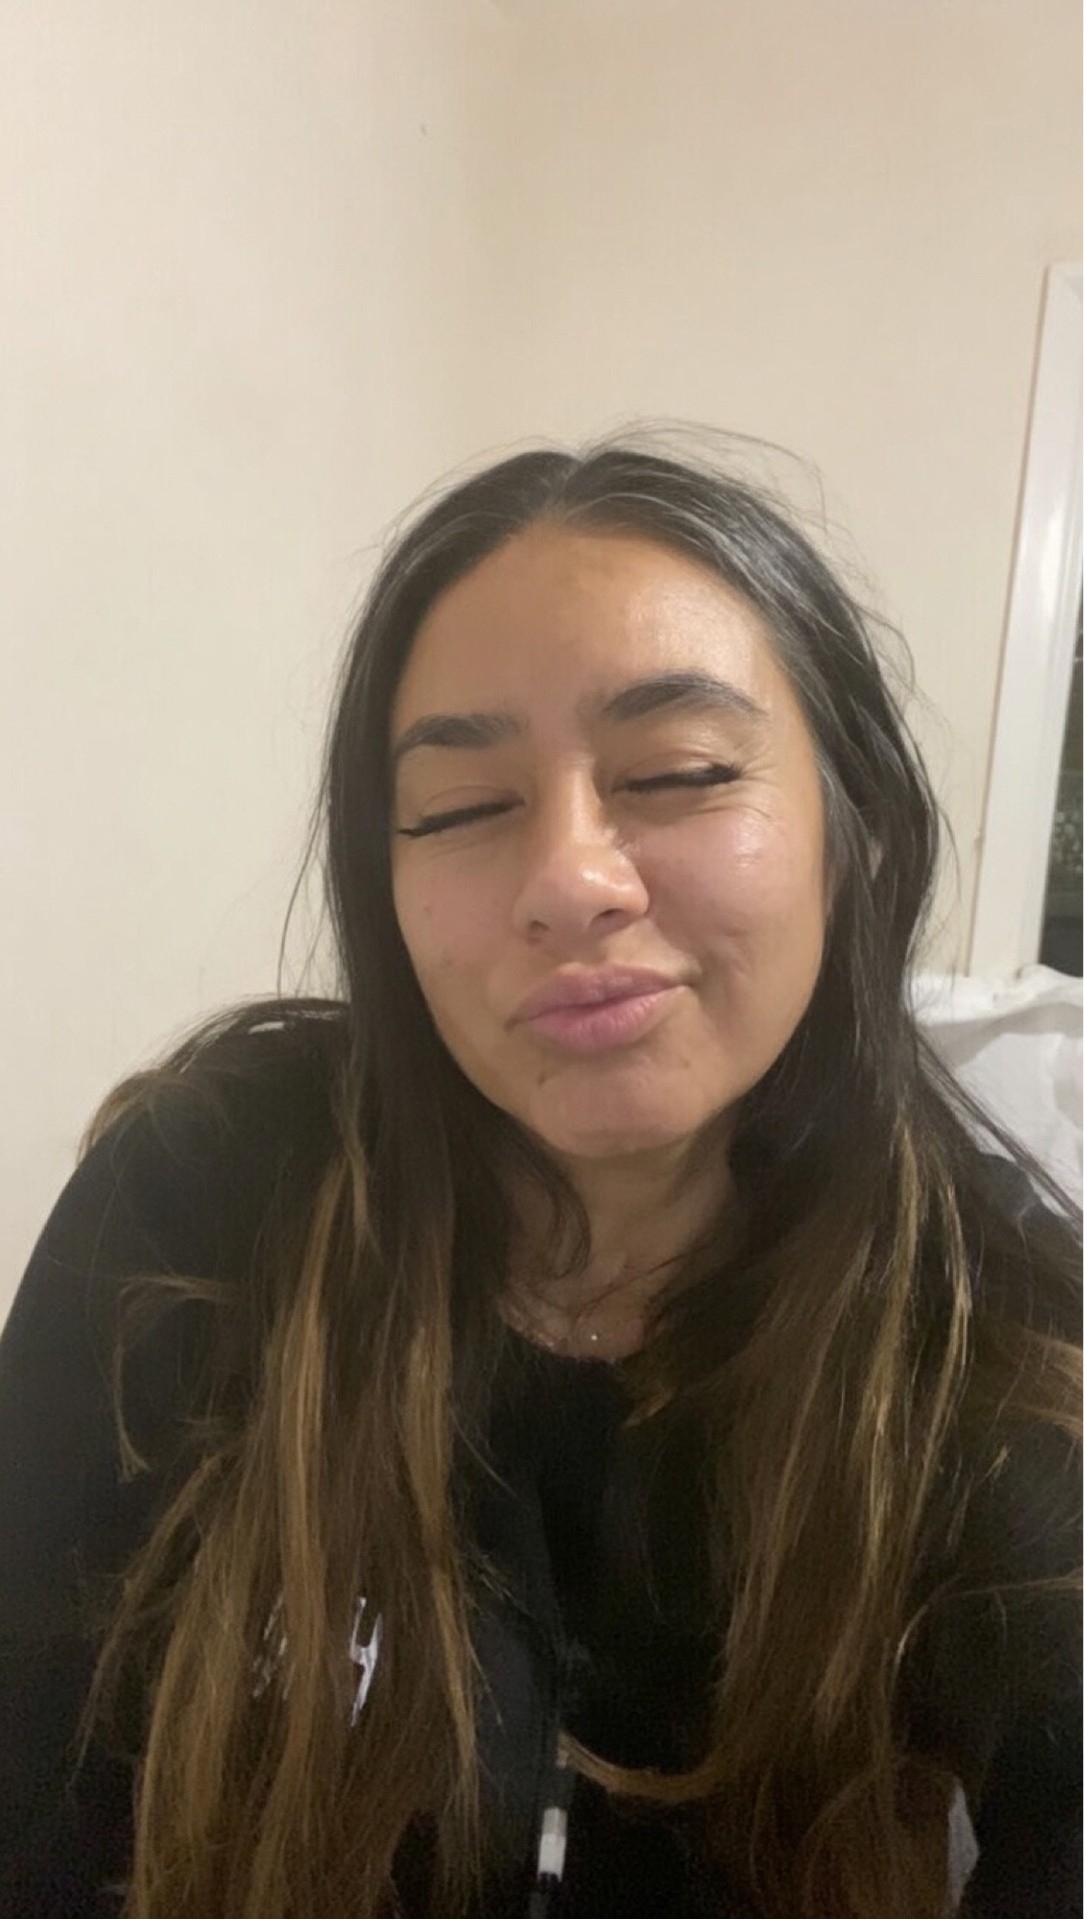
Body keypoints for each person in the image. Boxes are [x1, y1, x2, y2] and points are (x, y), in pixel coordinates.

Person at [0, 440, 1079, 1920]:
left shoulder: (989, 1338)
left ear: (860, 831)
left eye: (680, 774)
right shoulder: (205, 1195)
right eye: (460, 807)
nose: (571, 880)